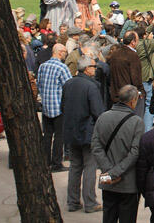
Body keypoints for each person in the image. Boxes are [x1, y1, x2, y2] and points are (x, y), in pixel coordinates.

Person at [93, 86, 145, 223]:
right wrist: (115, 172)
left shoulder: (103, 117)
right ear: (133, 101)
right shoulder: (136, 122)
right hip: (128, 182)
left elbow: (96, 147)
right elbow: (135, 152)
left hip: (107, 181)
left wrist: (109, 171)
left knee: (108, 216)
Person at [62, 56, 105, 214]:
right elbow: (98, 112)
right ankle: (90, 202)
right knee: (89, 166)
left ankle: (73, 201)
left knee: (75, 166)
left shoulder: (69, 84)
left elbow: (63, 106)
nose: (95, 69)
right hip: (87, 132)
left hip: (72, 131)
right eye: (93, 66)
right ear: (87, 69)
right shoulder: (91, 87)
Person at [38, 43, 72, 172]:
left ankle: (45, 161)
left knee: (47, 135)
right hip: (58, 107)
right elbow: (69, 87)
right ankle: (56, 162)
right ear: (59, 52)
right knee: (59, 136)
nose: (65, 54)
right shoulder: (62, 68)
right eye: (64, 52)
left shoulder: (43, 66)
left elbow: (39, 84)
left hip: (47, 106)